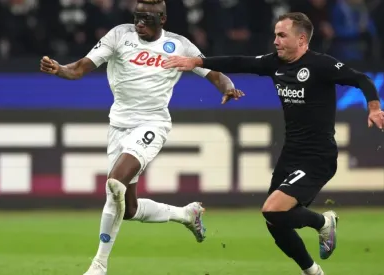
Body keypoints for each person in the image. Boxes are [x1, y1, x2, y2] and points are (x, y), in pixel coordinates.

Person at [164, 12, 384, 275]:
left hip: (318, 156)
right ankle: (312, 271)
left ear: (302, 39)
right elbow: (239, 61)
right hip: (291, 153)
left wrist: (373, 108)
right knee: (274, 221)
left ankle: (323, 221)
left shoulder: (321, 65)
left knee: (272, 209)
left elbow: (362, 79)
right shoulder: (275, 64)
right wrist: (197, 62)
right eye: (275, 35)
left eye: (282, 35)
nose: (276, 41)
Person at [40, 0, 245, 274]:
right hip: (119, 126)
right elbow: (79, 68)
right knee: (129, 209)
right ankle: (186, 214)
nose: (139, 24)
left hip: (153, 123)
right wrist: (59, 69)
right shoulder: (119, 35)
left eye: (147, 19)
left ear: (162, 19)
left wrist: (228, 86)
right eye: (137, 17)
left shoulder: (180, 45)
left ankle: (99, 264)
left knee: (115, 183)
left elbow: (213, 72)